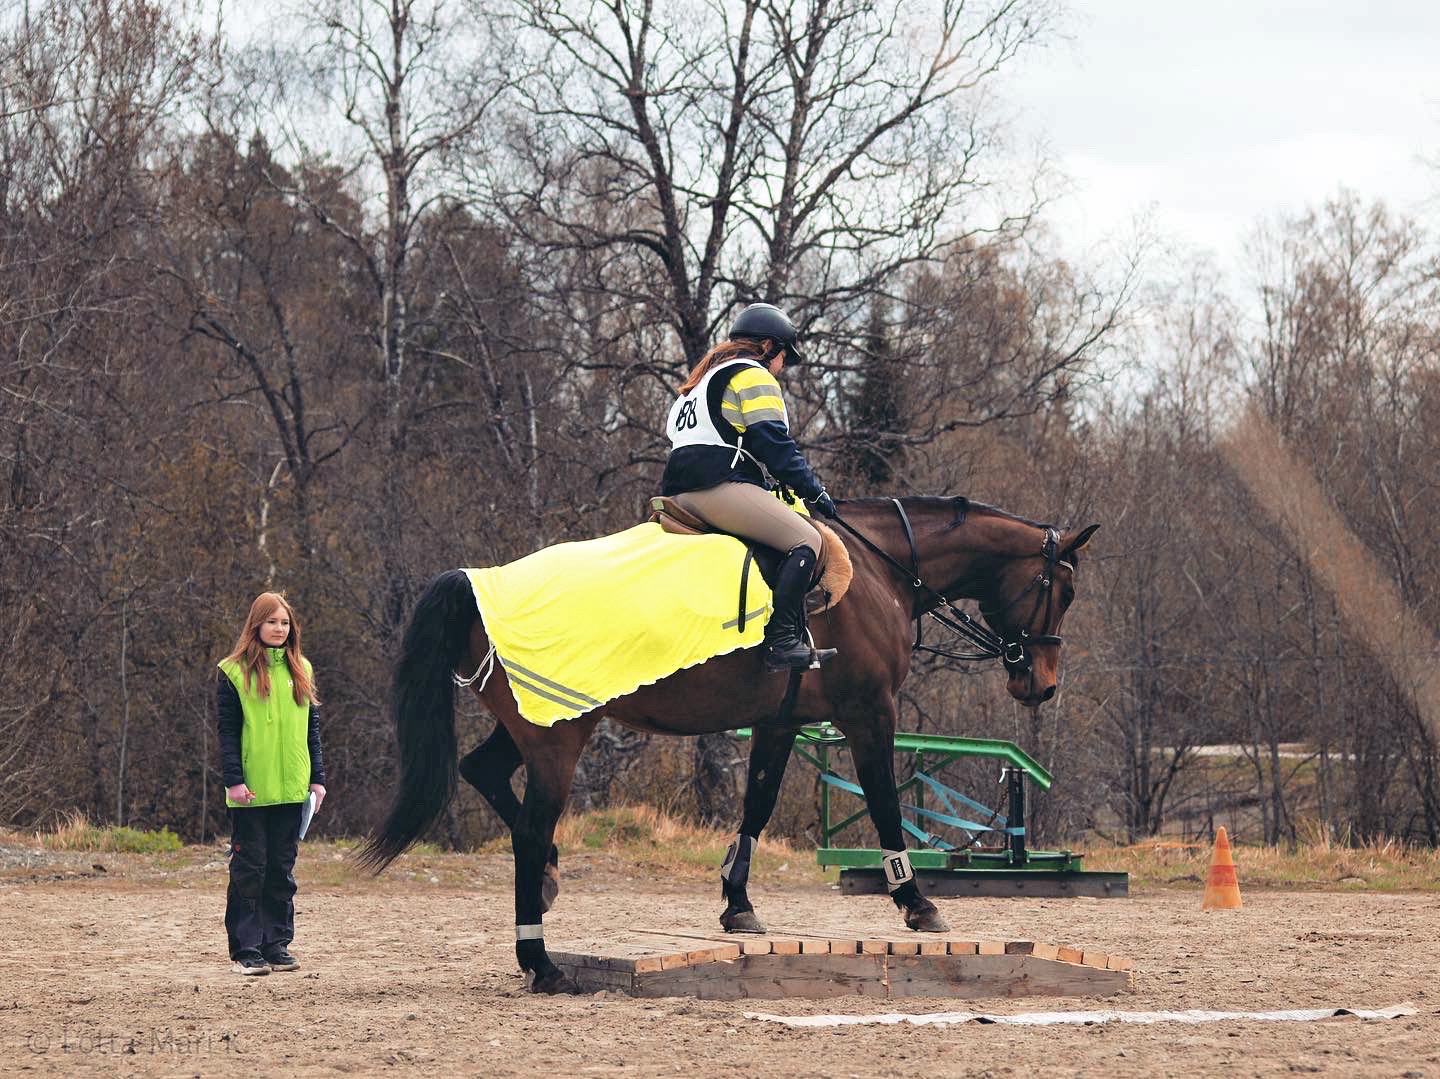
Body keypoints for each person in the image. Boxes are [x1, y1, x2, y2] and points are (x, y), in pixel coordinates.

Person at [661, 302, 838, 671]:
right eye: (784, 357)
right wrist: (814, 490)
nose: (783, 367)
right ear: (770, 347)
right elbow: (773, 444)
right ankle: (782, 640)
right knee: (807, 541)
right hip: (715, 486)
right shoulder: (752, 375)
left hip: (677, 490)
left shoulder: (699, 382)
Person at [215, 592, 326, 975]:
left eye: (285, 623)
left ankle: (276, 944)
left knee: (281, 868)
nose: (279, 629)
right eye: (272, 622)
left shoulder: (303, 670)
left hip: (293, 790)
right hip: (251, 792)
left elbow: (312, 731)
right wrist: (234, 781)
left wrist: (317, 780)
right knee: (250, 869)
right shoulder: (232, 671)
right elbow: (227, 734)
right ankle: (246, 949)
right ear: (256, 624)